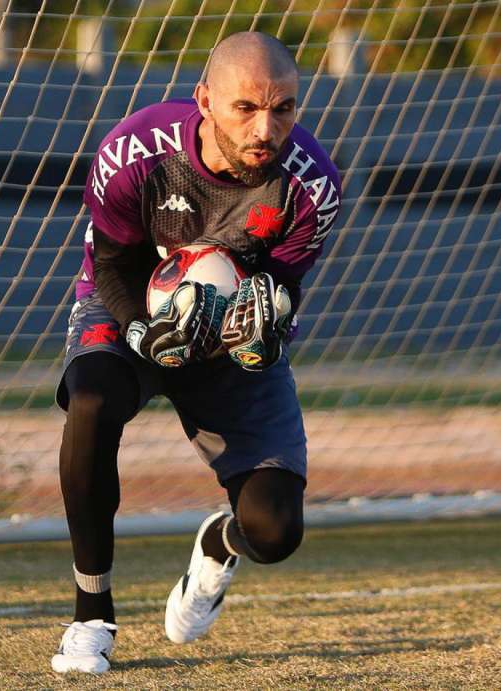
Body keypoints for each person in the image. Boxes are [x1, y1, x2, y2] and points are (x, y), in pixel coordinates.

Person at [50, 30, 341, 674]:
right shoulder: (135, 150)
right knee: (93, 401)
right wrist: (138, 330)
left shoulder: (311, 185)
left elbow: (283, 289)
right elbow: (110, 260)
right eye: (246, 107)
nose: (266, 128)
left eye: (284, 108)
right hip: (130, 303)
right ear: (204, 99)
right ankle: (90, 617)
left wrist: (262, 337)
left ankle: (220, 541)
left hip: (230, 330)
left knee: (275, 532)